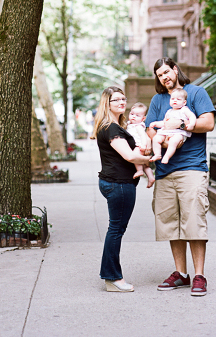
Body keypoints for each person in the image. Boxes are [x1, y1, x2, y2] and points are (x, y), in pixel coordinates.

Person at [144, 57, 216, 297]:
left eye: (166, 72)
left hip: (192, 168)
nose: (164, 77)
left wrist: (181, 124)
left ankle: (199, 275)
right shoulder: (157, 100)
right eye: (159, 75)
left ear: (175, 70)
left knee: (194, 221)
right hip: (165, 171)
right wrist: (159, 132)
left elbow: (208, 122)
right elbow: (149, 128)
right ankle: (181, 274)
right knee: (171, 224)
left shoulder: (196, 93)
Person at [90, 86, 157, 293]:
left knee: (116, 229)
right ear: (106, 103)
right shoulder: (110, 127)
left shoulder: (116, 125)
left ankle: (111, 275)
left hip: (116, 182)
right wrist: (152, 160)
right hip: (118, 184)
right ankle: (113, 278)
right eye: (116, 100)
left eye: (123, 99)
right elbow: (129, 156)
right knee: (116, 230)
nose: (122, 102)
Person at [150, 88, 197, 164]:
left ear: (184, 102)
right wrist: (156, 124)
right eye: (172, 99)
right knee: (156, 138)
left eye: (178, 99)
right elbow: (165, 123)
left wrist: (191, 124)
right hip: (166, 131)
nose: (175, 100)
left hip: (178, 133)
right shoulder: (169, 111)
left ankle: (167, 156)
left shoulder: (184, 110)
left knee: (173, 141)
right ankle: (157, 154)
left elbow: (192, 116)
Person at [126, 102, 156, 188]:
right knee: (146, 165)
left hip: (139, 146)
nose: (134, 116)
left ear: (143, 118)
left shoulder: (138, 126)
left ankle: (139, 171)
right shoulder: (130, 124)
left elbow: (143, 136)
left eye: (137, 115)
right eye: (132, 114)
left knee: (135, 157)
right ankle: (151, 177)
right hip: (139, 146)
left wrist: (143, 145)